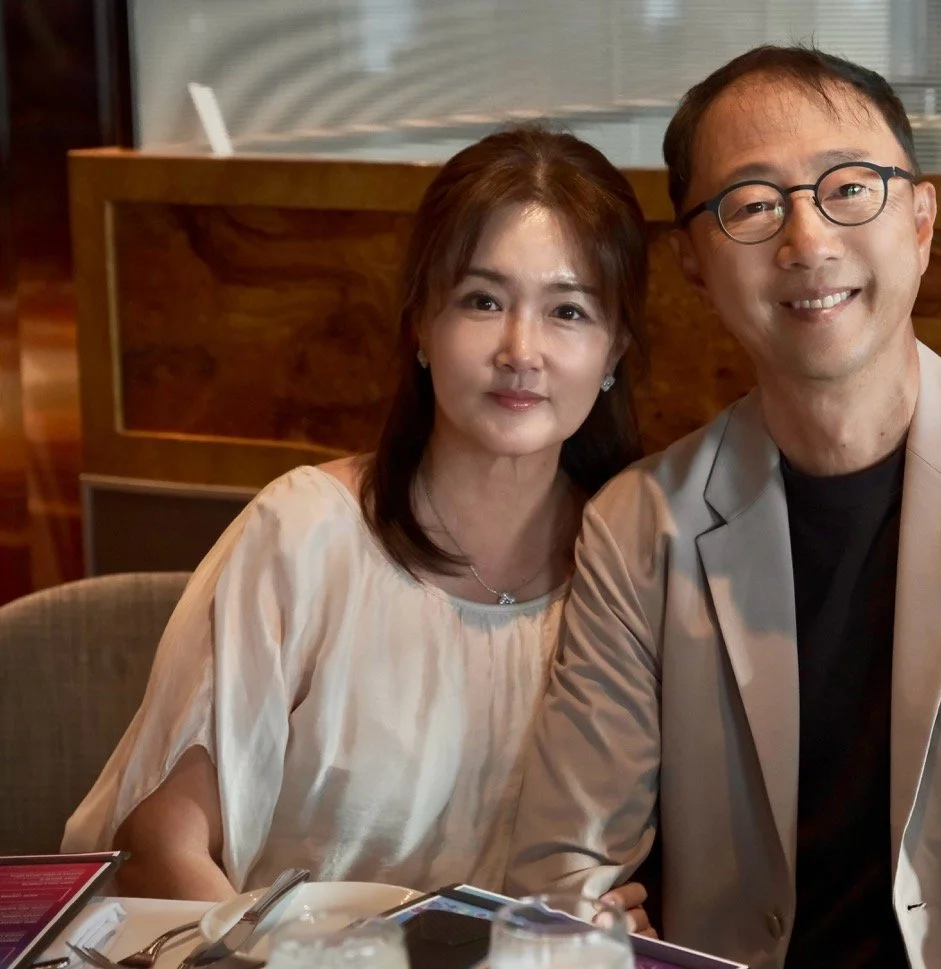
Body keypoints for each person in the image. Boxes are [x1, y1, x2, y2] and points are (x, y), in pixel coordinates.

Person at [507, 47, 941, 969]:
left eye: (851, 187)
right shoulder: (639, 524)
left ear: (921, 220)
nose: (807, 242)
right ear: (692, 259)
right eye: (754, 204)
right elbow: (564, 872)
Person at [63, 125, 652, 930]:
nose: (522, 349)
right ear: (420, 325)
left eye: (568, 310)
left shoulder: (632, 572)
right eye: (482, 300)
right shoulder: (304, 536)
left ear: (614, 347)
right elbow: (162, 844)